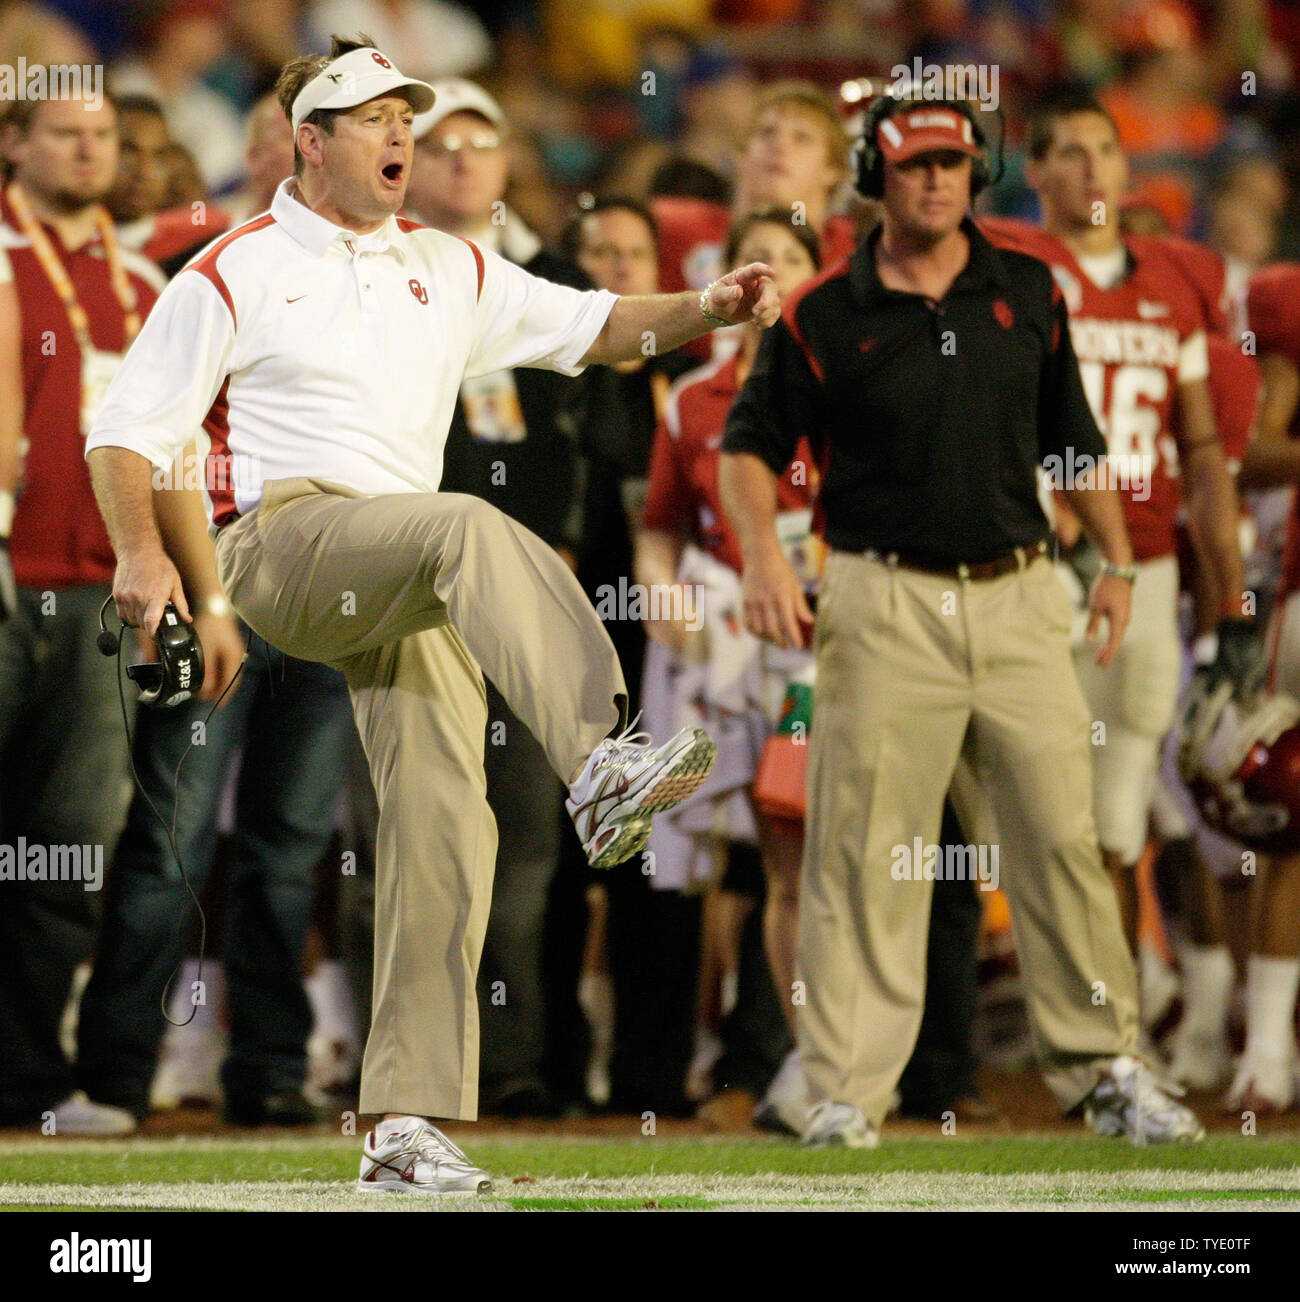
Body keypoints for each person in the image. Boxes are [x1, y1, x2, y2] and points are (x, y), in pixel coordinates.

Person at [84, 35, 777, 1193]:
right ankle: (601, 759)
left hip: (403, 573)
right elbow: (124, 429)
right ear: (309, 140)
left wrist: (707, 305)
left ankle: (401, 1126)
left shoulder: (447, 263)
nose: (401, 132)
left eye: (407, 114)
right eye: (371, 116)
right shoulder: (235, 266)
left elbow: (595, 325)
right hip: (289, 542)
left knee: (444, 823)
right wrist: (148, 555)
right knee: (464, 519)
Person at [720, 94, 1204, 1148]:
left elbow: (1070, 436)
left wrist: (1115, 560)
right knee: (863, 851)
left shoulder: (1025, 288)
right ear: (873, 177)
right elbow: (749, 445)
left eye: (950, 164)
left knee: (1060, 840)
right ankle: (847, 1085)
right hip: (881, 595)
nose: (935, 181)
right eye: (913, 165)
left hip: (1023, 588)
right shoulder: (823, 312)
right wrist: (763, 551)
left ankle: (1103, 1065)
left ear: (974, 173)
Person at [984, 90, 1250, 1031]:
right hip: (1035, 563)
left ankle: (1113, 1017)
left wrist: (1226, 610)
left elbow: (1206, 451)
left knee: (1120, 811)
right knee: (1025, 805)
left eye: (1106, 149)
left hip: (1145, 569)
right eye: (1069, 152)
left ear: (1127, 170)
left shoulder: (1176, 281)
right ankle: (1060, 1015)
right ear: (1039, 172)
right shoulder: (1013, 263)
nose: (1092, 168)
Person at [0, 86, 165, 1134]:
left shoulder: (144, 284)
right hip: (8, 574)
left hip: (97, 596)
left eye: (103, 136)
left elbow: (173, 446)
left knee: (64, 853)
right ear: (13, 146)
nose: (89, 150)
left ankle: (24, 1083)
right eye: (65, 133)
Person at [637, 207, 822, 1131]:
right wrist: (657, 588)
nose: (771, 276)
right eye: (758, 260)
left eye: (791, 258)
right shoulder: (691, 397)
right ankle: (707, 1058)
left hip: (817, 630)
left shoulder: (847, 379)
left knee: (799, 845)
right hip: (718, 627)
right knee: (700, 853)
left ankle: (810, 1058)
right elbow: (660, 523)